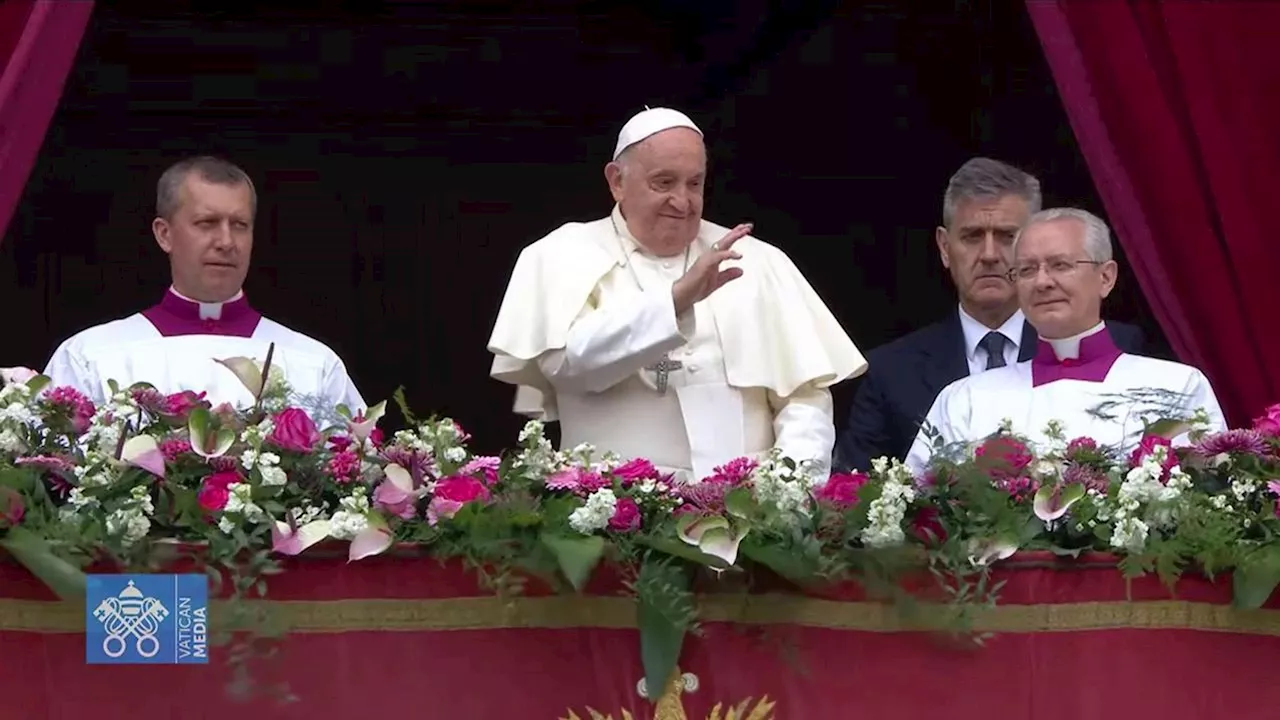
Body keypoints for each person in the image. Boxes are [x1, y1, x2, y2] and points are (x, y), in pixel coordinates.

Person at [486, 107, 866, 481]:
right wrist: (674, 302)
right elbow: (563, 365)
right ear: (616, 181)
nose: (682, 202)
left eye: (694, 183)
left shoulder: (758, 260)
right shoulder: (560, 253)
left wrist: (788, 493)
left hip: (749, 517)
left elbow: (804, 398)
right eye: (663, 183)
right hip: (614, 517)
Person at [835, 158, 1144, 472]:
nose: (989, 255)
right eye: (971, 236)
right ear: (944, 247)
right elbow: (854, 491)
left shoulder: (1117, 347)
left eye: (1008, 237)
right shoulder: (890, 373)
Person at [904, 208, 1225, 475]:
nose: (1042, 281)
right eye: (1027, 270)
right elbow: (920, 511)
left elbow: (1211, 503)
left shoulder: (1178, 387)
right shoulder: (965, 399)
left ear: (1106, 277)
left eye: (1060, 265)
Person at [43, 156, 365, 418]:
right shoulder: (90, 356)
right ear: (164, 234)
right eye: (207, 223)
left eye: (240, 225)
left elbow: (354, 474)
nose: (226, 242)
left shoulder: (313, 363)